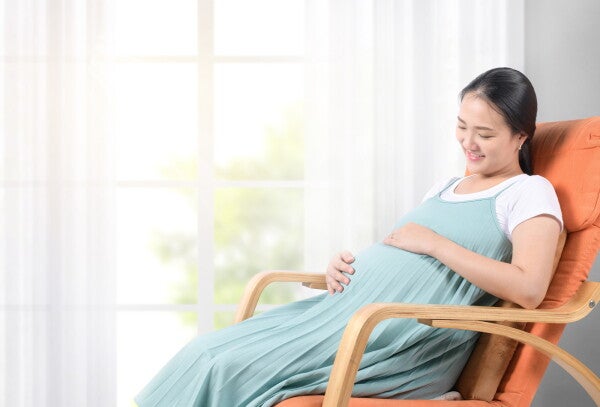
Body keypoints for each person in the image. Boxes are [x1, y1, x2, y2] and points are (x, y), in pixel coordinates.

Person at [135, 67, 562, 407]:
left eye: (484, 134)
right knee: (204, 352)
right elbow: (403, 258)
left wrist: (435, 243)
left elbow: (529, 289)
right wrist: (344, 269)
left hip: (392, 342)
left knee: (227, 366)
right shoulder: (447, 186)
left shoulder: (527, 192)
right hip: (339, 314)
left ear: (521, 135)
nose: (468, 142)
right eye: (462, 126)